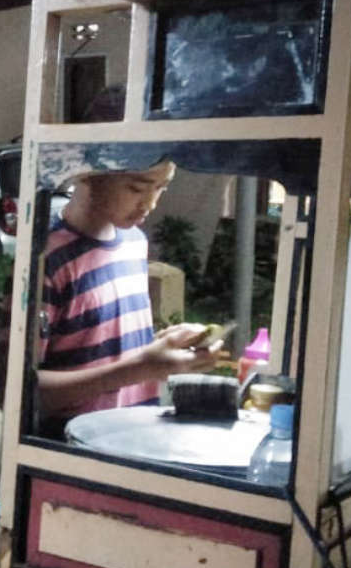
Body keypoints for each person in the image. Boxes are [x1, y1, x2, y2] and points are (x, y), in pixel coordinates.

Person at [30, 160, 222, 435]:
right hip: (72, 454)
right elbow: (18, 394)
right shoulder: (44, 261)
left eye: (161, 189)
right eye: (136, 189)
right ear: (85, 173)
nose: (151, 204)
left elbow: (103, 351)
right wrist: (141, 367)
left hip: (130, 438)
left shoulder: (134, 242)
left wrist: (162, 348)